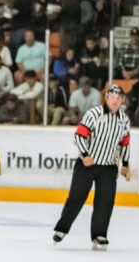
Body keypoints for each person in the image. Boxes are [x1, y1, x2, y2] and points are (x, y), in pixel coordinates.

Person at [53, 84, 131, 251]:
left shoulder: (124, 119)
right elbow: (79, 136)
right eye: (112, 97)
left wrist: (125, 164)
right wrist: (85, 154)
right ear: (106, 98)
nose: (115, 100)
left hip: (109, 167)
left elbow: (124, 143)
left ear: (122, 100)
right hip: (87, 164)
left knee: (105, 201)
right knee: (76, 197)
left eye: (119, 98)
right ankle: (62, 229)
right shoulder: (93, 114)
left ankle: (99, 235)